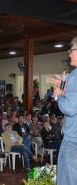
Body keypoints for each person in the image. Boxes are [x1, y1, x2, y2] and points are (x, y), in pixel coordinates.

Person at [51, 37, 77, 185]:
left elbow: (70, 109)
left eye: (71, 50)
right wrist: (64, 84)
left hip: (73, 141)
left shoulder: (76, 75)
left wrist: (58, 95)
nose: (69, 54)